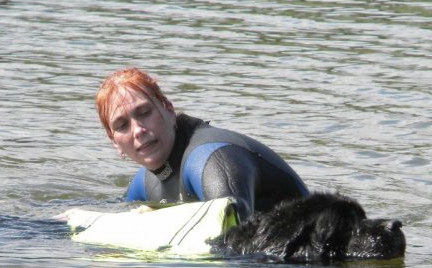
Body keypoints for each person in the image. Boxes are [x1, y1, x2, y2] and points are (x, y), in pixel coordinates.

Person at [95, 67, 309, 220]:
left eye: (144, 113)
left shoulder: (212, 159)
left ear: (169, 110)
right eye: (122, 125)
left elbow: (233, 227)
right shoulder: (144, 183)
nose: (138, 130)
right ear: (114, 142)